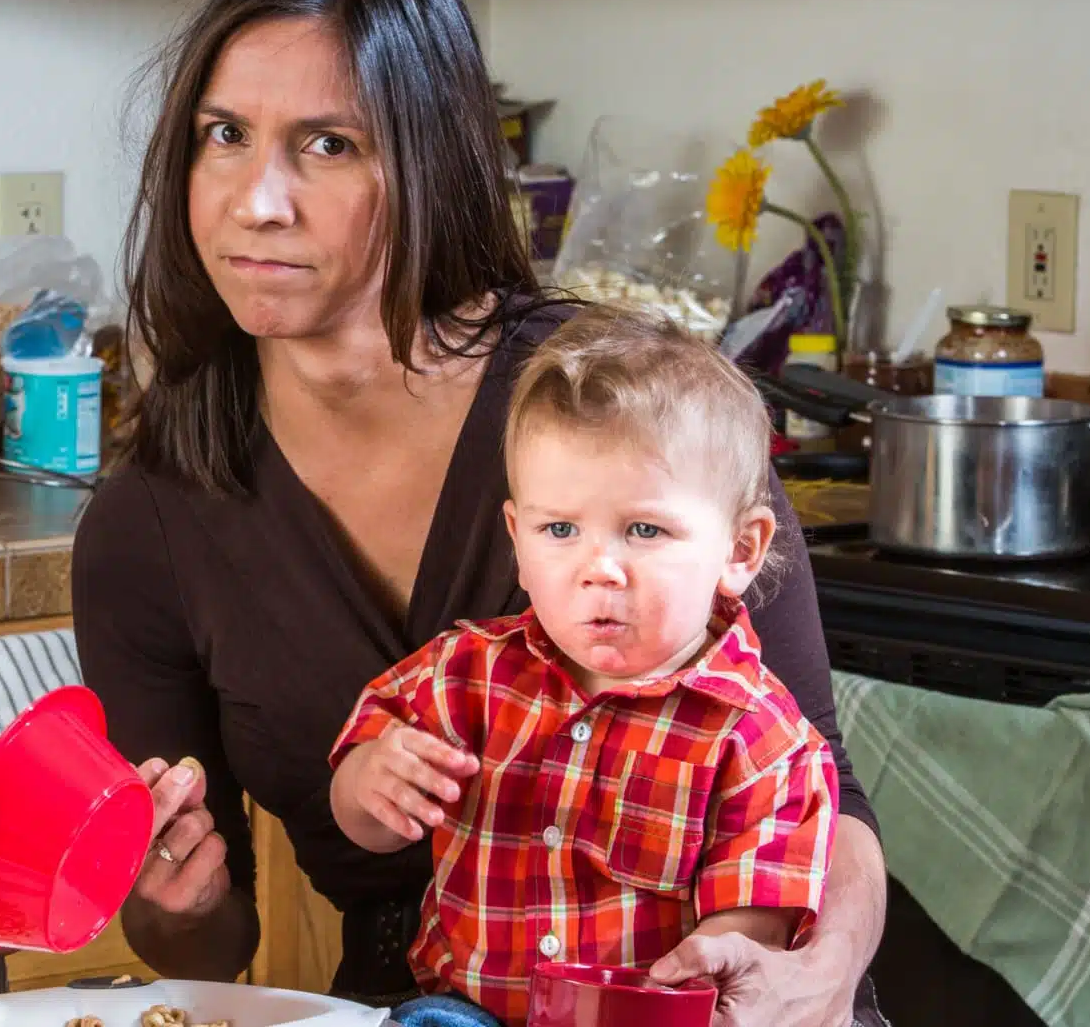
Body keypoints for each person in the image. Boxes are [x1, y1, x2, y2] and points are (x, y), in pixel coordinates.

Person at [70, 0, 889, 1024]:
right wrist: (174, 893)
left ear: (429, 163)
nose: (257, 201)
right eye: (225, 136)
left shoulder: (634, 411)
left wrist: (818, 978)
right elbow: (207, 946)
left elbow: (820, 784)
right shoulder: (149, 525)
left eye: (328, 145)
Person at [327, 307, 840, 1027]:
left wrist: (695, 981)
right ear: (517, 536)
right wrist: (372, 784)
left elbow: (746, 949)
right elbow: (358, 813)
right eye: (559, 529)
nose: (599, 569)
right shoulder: (462, 675)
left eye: (644, 530)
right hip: (465, 1014)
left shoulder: (761, 743)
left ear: (741, 551)